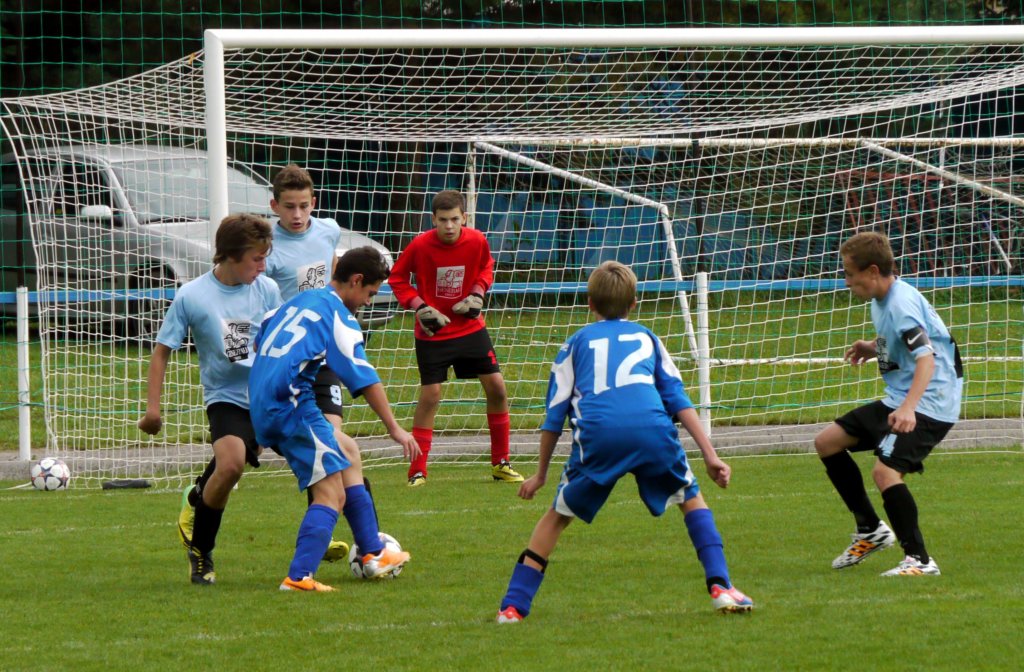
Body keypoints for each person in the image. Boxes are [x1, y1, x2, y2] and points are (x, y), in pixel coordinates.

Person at [496, 261, 753, 622]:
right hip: (652, 431)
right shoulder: (648, 338)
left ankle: (513, 606)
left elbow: (554, 416)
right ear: (634, 302)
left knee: (558, 516)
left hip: (599, 435)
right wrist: (711, 455)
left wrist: (540, 475)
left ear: (589, 303)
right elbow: (678, 399)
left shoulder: (574, 344)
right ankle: (722, 586)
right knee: (690, 498)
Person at [176, 165, 354, 562]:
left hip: (316, 353)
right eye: (289, 206)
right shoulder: (266, 254)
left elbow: (328, 272)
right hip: (277, 360)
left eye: (304, 205)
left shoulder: (328, 231)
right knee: (240, 453)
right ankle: (200, 497)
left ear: (314, 203)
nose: (297, 214)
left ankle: (319, 527)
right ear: (274, 206)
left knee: (328, 439)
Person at [249, 246, 418, 591]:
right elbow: (364, 377)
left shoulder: (299, 300)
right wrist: (395, 428)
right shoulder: (339, 316)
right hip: (291, 406)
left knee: (348, 450)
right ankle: (299, 577)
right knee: (331, 495)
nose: (368, 302)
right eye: (370, 293)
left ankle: (372, 554)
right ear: (356, 280)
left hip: (265, 400)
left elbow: (260, 337)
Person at [139, 214, 282, 585]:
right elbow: (161, 352)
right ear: (231, 256)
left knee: (311, 453)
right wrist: (153, 410)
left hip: (266, 393)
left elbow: (280, 341)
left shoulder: (266, 290)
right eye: (256, 259)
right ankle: (201, 552)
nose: (263, 266)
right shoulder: (192, 295)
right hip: (226, 397)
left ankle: (325, 534)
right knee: (231, 465)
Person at [814, 231, 962, 576]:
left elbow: (926, 358)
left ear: (873, 271)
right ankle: (870, 530)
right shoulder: (881, 299)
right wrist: (873, 347)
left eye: (850, 273)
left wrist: (909, 408)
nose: (846, 281)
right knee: (827, 442)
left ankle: (920, 560)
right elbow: (900, 342)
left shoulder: (900, 305)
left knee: (885, 472)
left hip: (929, 402)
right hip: (902, 397)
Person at [388, 189, 523, 487]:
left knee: (497, 387)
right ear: (433, 219)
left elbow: (486, 267)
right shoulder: (420, 245)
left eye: (454, 219)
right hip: (433, 332)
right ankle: (417, 471)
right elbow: (397, 278)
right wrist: (420, 307)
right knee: (431, 396)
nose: (449, 226)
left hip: (469, 328)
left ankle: (501, 462)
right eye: (443, 220)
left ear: (465, 217)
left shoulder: (477, 240)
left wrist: (477, 293)